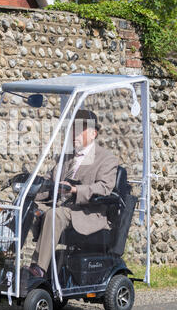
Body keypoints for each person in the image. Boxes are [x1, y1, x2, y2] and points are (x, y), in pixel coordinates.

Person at [29, 109, 119, 277]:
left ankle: (38, 268)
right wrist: (31, 189)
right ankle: (3, 259)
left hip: (86, 212)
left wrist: (76, 190)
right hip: (62, 207)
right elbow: (50, 180)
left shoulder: (106, 159)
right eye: (72, 129)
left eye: (79, 130)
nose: (74, 134)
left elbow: (105, 188)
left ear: (93, 133)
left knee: (54, 215)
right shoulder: (66, 156)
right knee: (27, 208)